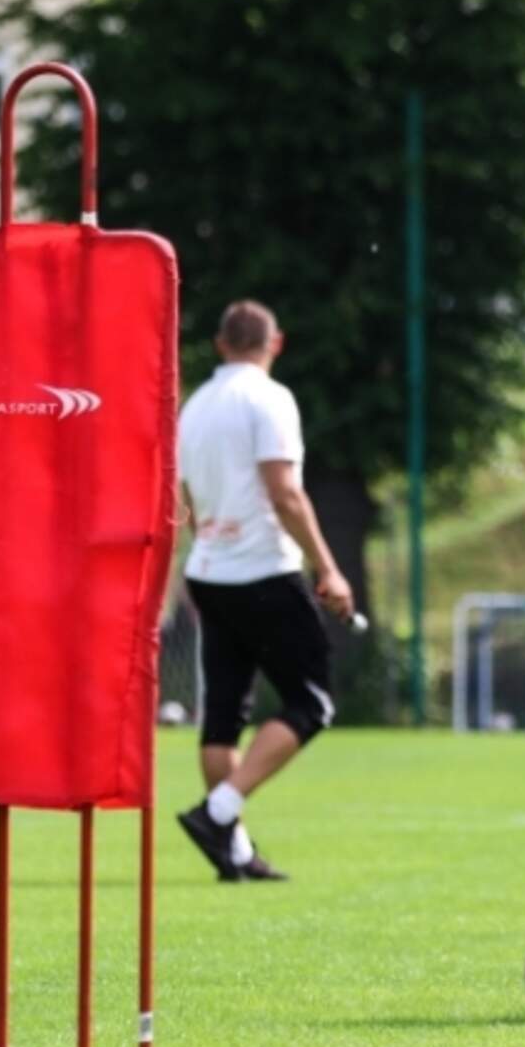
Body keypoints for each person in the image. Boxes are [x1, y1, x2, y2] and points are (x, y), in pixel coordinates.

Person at [174, 300, 354, 882]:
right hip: (262, 570)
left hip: (208, 570)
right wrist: (328, 567)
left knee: (224, 716)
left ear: (221, 344)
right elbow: (284, 491)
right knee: (311, 702)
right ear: (275, 343)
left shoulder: (195, 406)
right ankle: (217, 812)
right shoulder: (269, 399)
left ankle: (233, 850)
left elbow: (186, 496)